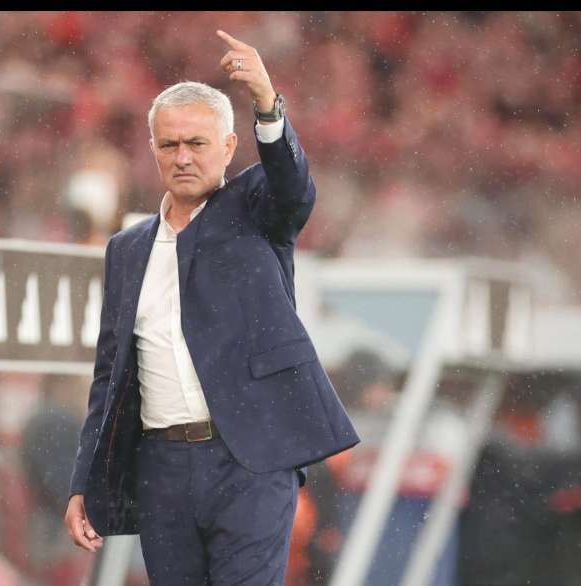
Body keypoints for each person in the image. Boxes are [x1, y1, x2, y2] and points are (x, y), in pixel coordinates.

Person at [64, 29, 360, 585]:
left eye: (197, 143)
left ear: (228, 148)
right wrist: (84, 480)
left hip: (250, 462)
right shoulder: (126, 249)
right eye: (169, 145)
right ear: (153, 150)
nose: (182, 157)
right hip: (162, 470)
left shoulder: (255, 210)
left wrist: (267, 102)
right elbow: (110, 376)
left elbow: (294, 187)